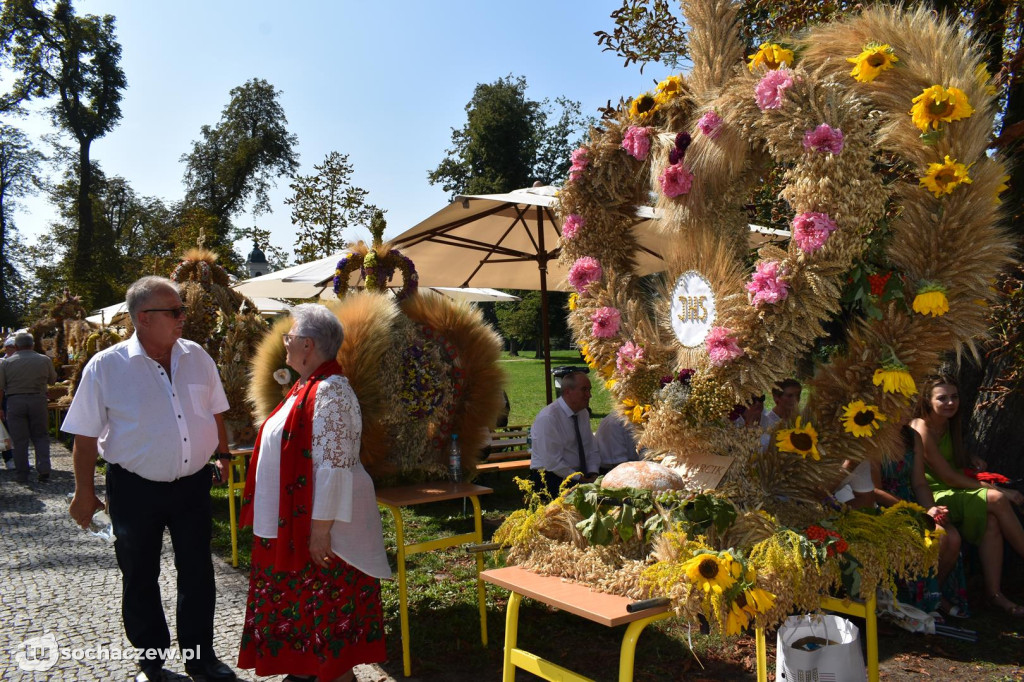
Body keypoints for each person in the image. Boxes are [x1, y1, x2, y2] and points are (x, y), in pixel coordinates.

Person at [63, 276, 237, 682]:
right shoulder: (106, 366)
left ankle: (201, 657)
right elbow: (85, 437)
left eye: (182, 310)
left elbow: (216, 412)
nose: (183, 318)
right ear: (143, 318)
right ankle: (152, 661)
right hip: (133, 488)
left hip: (193, 484)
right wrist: (83, 493)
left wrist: (224, 455)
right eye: (174, 311)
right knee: (140, 574)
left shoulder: (198, 357)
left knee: (197, 571)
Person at [238, 303, 390, 682]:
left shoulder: (332, 392)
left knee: (326, 627)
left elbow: (334, 466)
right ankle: (305, 673)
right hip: (291, 529)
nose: (285, 343)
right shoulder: (306, 387)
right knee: (306, 625)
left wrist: (320, 530)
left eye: (290, 337)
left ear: (308, 345)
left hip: (320, 536)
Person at [911, 374, 1024, 618]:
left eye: (954, 397)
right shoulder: (922, 427)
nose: (950, 402)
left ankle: (995, 595)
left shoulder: (949, 423)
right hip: (933, 493)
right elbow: (947, 477)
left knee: (991, 521)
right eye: (942, 398)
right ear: (927, 401)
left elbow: (951, 463)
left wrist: (970, 457)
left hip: (952, 488)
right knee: (997, 500)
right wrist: (1000, 489)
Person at [876, 426, 969, 618]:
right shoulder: (871, 435)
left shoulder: (911, 436)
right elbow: (875, 491)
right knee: (938, 537)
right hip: (885, 507)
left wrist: (930, 509)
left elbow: (919, 483)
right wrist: (915, 511)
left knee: (953, 537)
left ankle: (932, 596)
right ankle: (919, 602)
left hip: (912, 501)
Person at [530, 369, 600, 498]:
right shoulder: (548, 418)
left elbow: (590, 447)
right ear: (568, 392)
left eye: (589, 390)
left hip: (578, 476)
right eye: (584, 390)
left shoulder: (582, 413)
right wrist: (581, 479)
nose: (589, 395)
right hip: (551, 478)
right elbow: (553, 462)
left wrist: (593, 473)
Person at [0, 331, 58, 483]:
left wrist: (0, 407)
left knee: (19, 440)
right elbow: (53, 380)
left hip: (15, 401)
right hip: (38, 400)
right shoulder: (44, 360)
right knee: (40, 436)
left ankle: (22, 474)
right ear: (32, 344)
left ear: (16, 346)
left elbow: (1, 387)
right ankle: (44, 469)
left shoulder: (6, 363)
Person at [1, 335, 16, 469]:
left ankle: (10, 458)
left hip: (9, 397)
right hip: (4, 397)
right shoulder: (2, 362)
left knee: (6, 428)